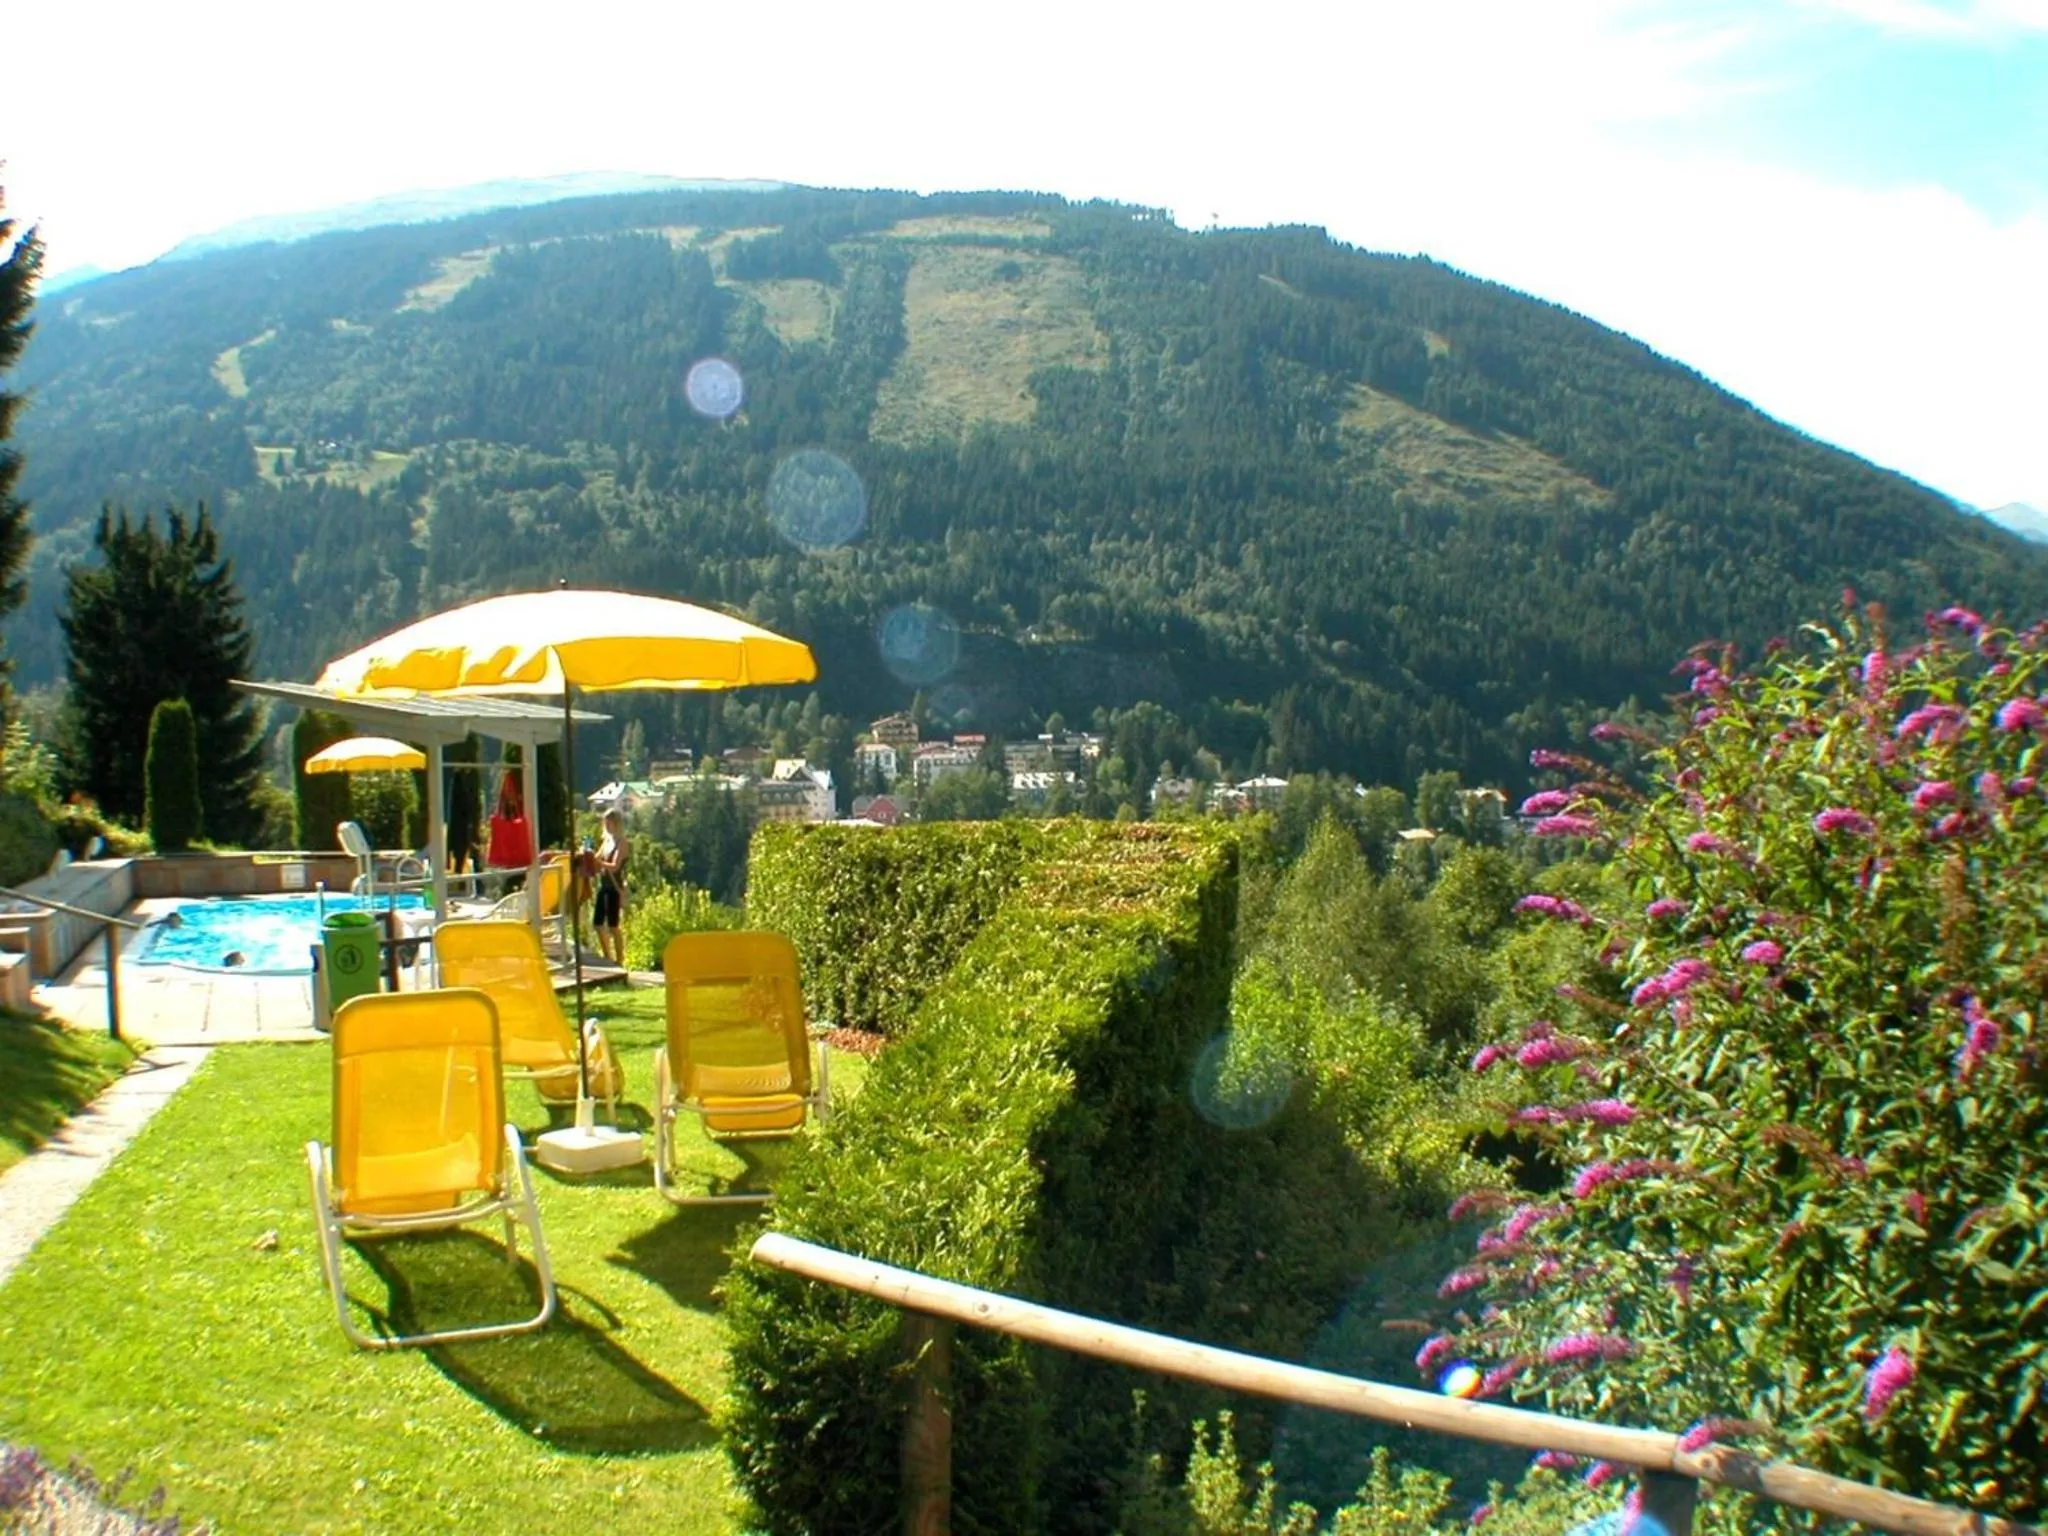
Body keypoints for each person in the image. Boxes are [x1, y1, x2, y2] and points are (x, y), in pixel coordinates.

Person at [593, 809, 629, 965]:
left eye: (610, 823)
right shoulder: (606, 841)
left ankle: (620, 959)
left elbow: (614, 866)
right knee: (598, 923)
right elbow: (596, 858)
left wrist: (599, 863)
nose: (607, 826)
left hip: (615, 887)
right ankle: (608, 955)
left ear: (617, 824)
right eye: (605, 822)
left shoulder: (622, 843)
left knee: (613, 926)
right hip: (604, 885)